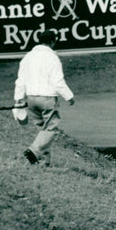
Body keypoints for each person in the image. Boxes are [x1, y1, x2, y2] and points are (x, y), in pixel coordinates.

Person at [12, 30, 75, 166]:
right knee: (50, 129)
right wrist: (69, 96)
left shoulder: (27, 57)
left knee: (42, 130)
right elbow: (58, 81)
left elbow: (20, 80)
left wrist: (18, 99)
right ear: (53, 41)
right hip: (47, 98)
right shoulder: (52, 58)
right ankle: (33, 151)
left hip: (31, 98)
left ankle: (43, 162)